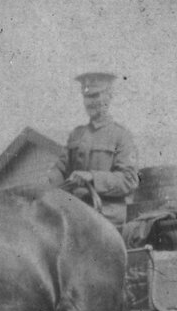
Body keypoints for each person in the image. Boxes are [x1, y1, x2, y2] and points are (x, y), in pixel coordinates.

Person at [47, 72, 139, 230]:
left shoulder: (121, 136)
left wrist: (92, 177)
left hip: (107, 218)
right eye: (87, 96)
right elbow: (60, 169)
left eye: (96, 95)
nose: (90, 102)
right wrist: (52, 177)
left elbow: (129, 180)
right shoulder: (76, 134)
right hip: (76, 212)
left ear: (109, 96)